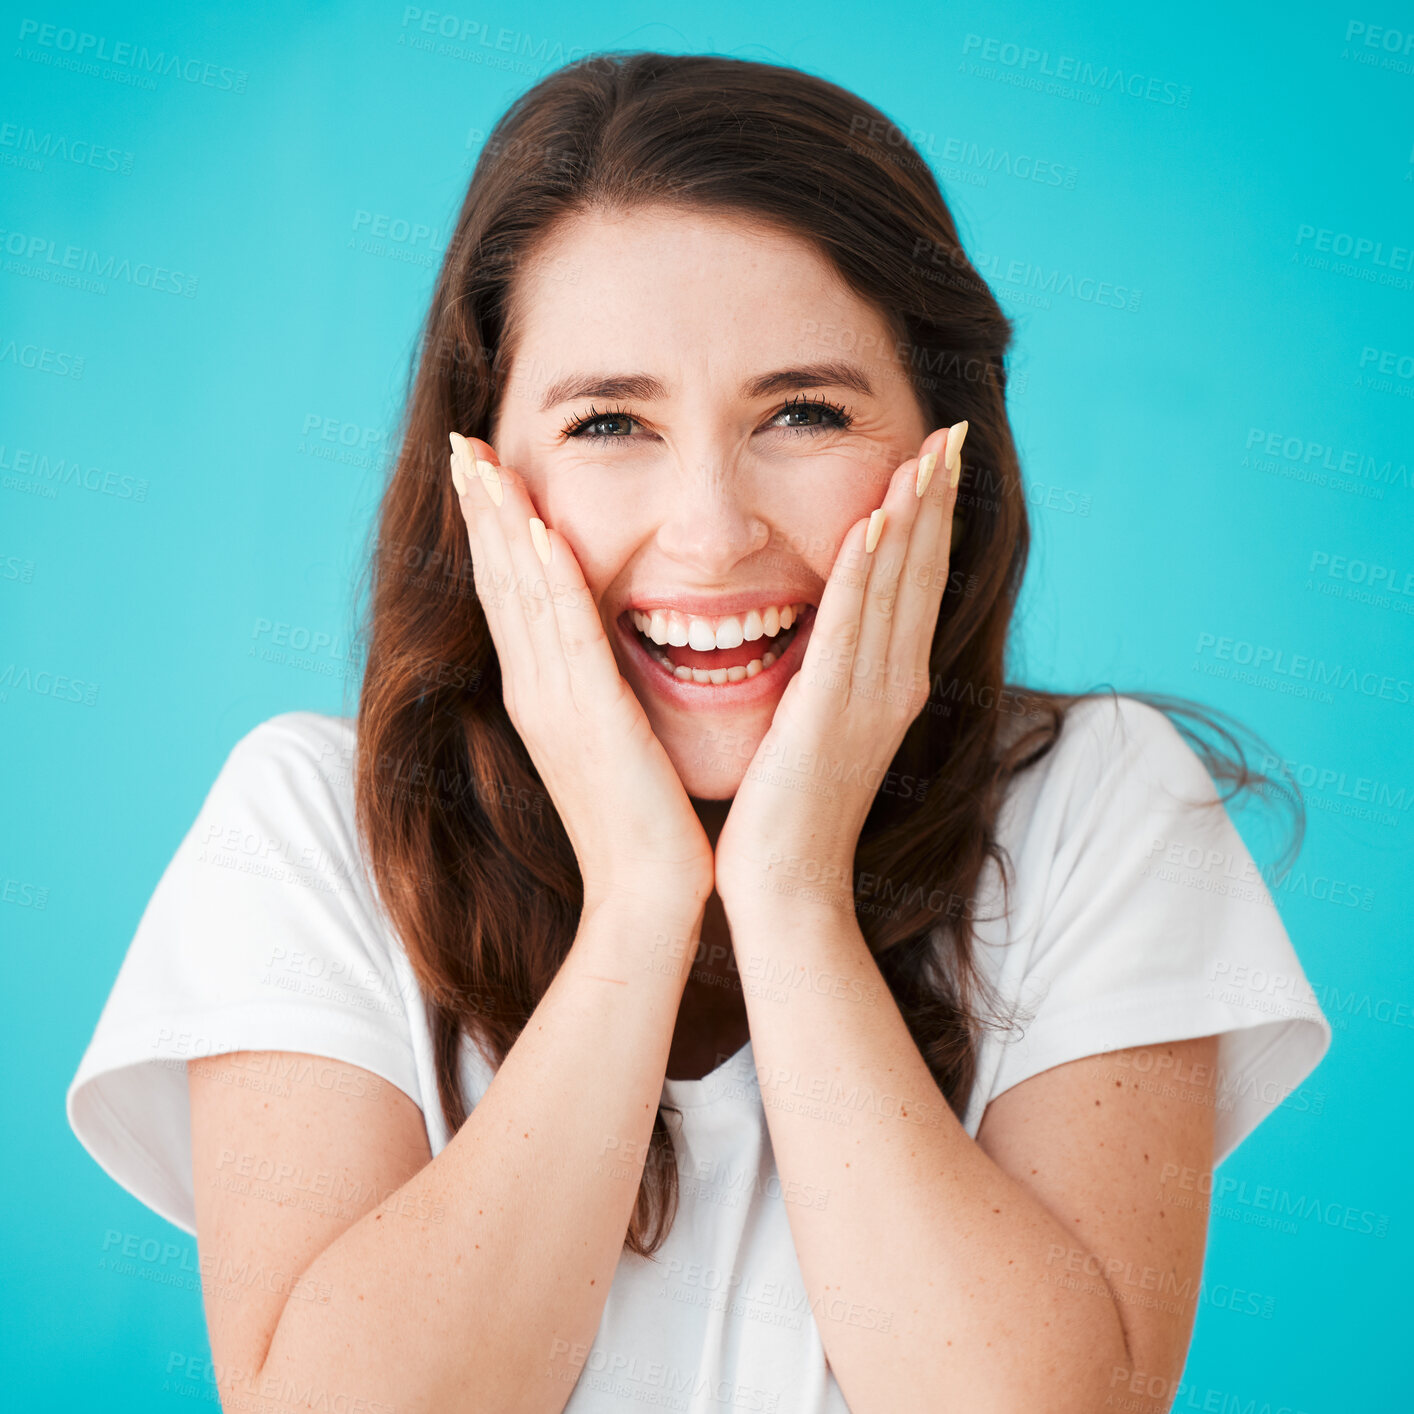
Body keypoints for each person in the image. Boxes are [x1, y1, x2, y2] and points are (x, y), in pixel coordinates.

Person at [66, 50, 1331, 1414]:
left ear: (944, 454)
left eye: (802, 411)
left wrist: (786, 893)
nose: (712, 534)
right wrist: (640, 899)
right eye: (610, 420)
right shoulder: (309, 823)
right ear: (483, 472)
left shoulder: (1100, 803)